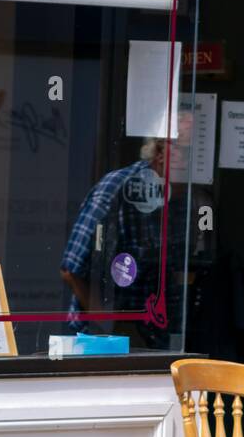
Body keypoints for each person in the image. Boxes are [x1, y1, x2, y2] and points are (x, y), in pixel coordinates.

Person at [60, 120, 192, 350]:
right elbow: (71, 268)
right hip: (108, 338)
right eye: (186, 151)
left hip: (161, 338)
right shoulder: (118, 186)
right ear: (161, 151)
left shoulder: (183, 199)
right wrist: (106, 325)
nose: (192, 161)